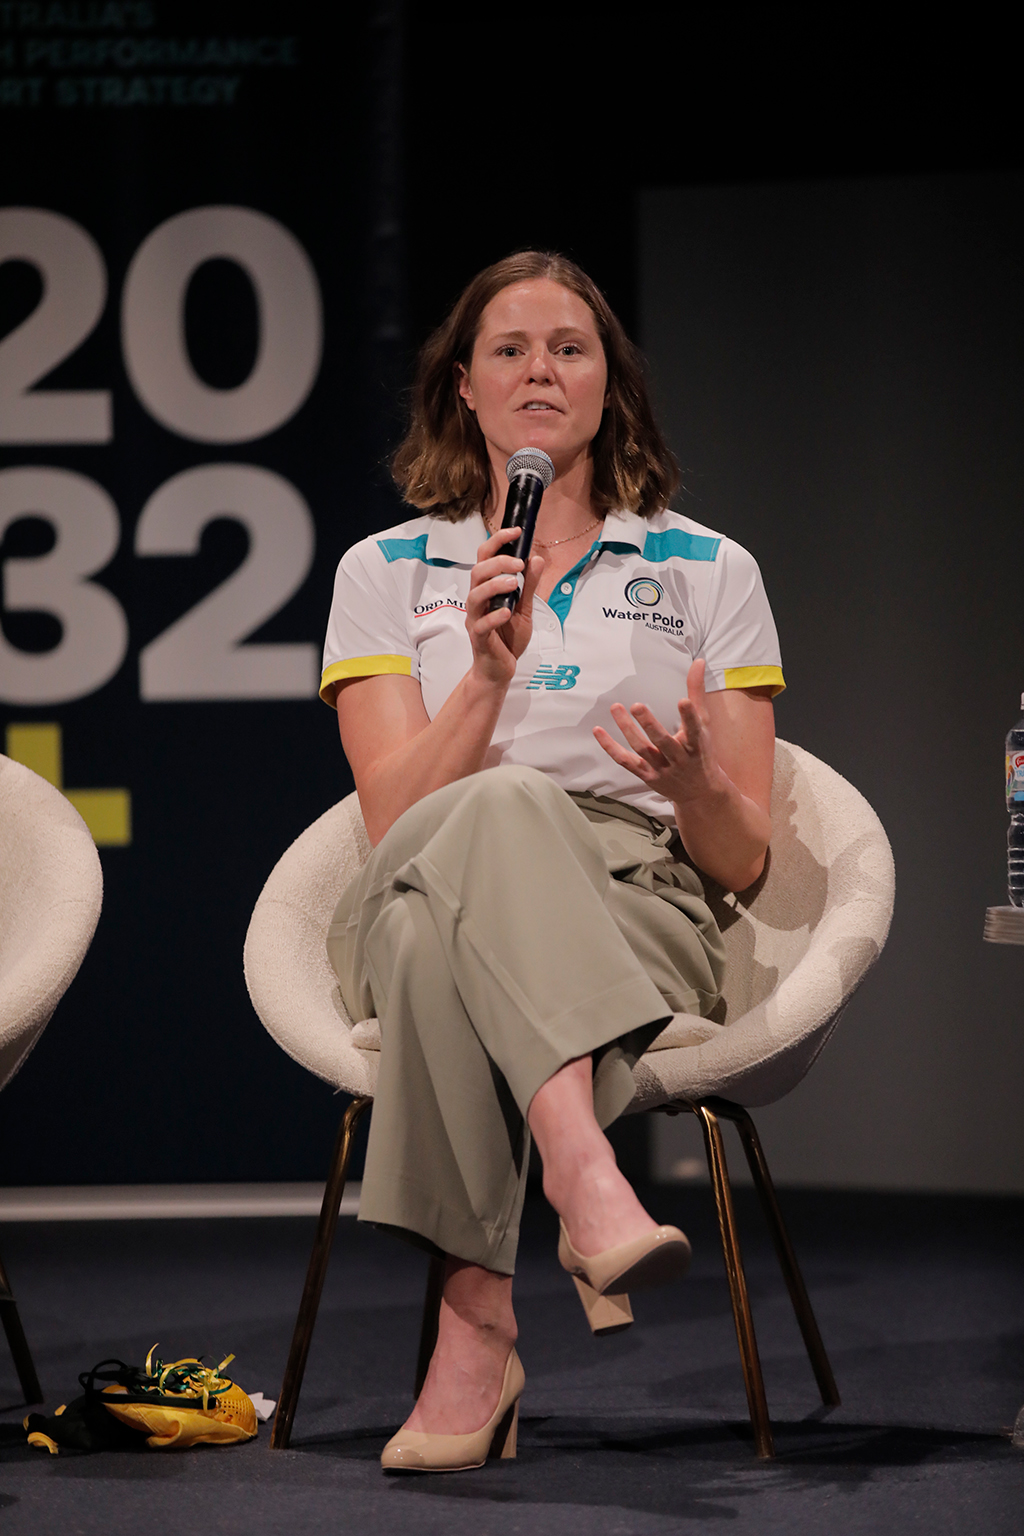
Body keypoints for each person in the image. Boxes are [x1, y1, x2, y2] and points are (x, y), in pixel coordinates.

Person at [320, 251, 783, 1472]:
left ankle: (476, 1331)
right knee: (485, 825)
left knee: (431, 948)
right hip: (423, 867)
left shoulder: (709, 568)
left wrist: (698, 786)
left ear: (608, 385)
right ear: (462, 387)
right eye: (510, 350)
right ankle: (584, 1175)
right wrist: (484, 679)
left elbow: (743, 861)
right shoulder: (383, 570)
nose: (540, 371)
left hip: (634, 899)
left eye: (569, 349)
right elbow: (390, 821)